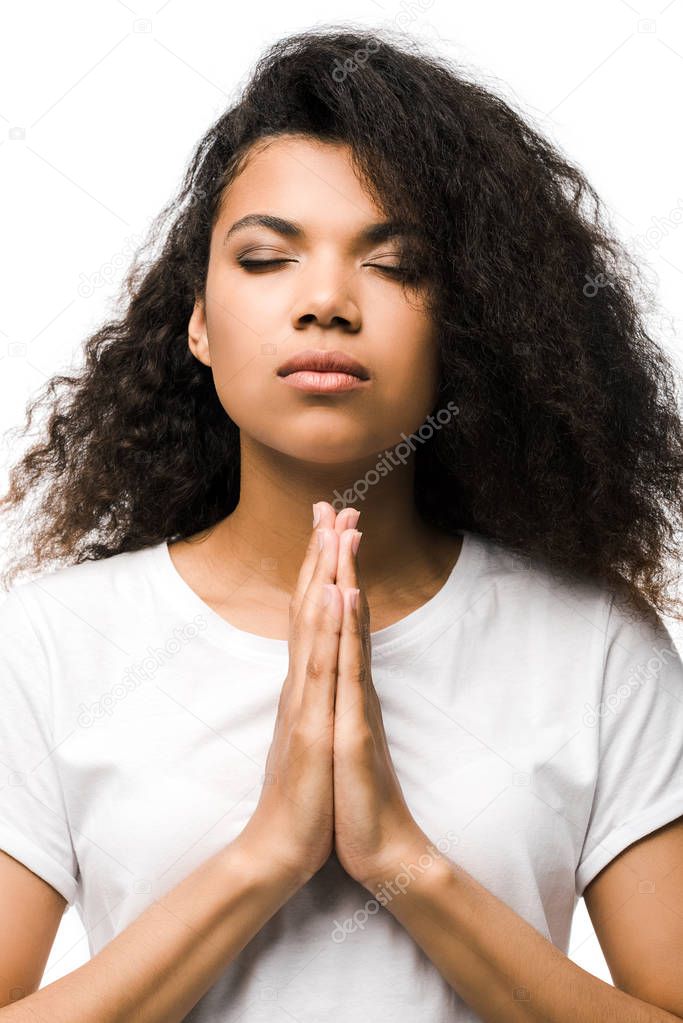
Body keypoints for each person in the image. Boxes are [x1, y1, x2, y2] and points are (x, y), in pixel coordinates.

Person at [1, 25, 682, 1023]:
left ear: (465, 322)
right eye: (267, 258)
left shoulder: (591, 647)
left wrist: (397, 858)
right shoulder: (51, 645)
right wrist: (265, 857)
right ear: (196, 318)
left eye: (396, 265)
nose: (325, 301)